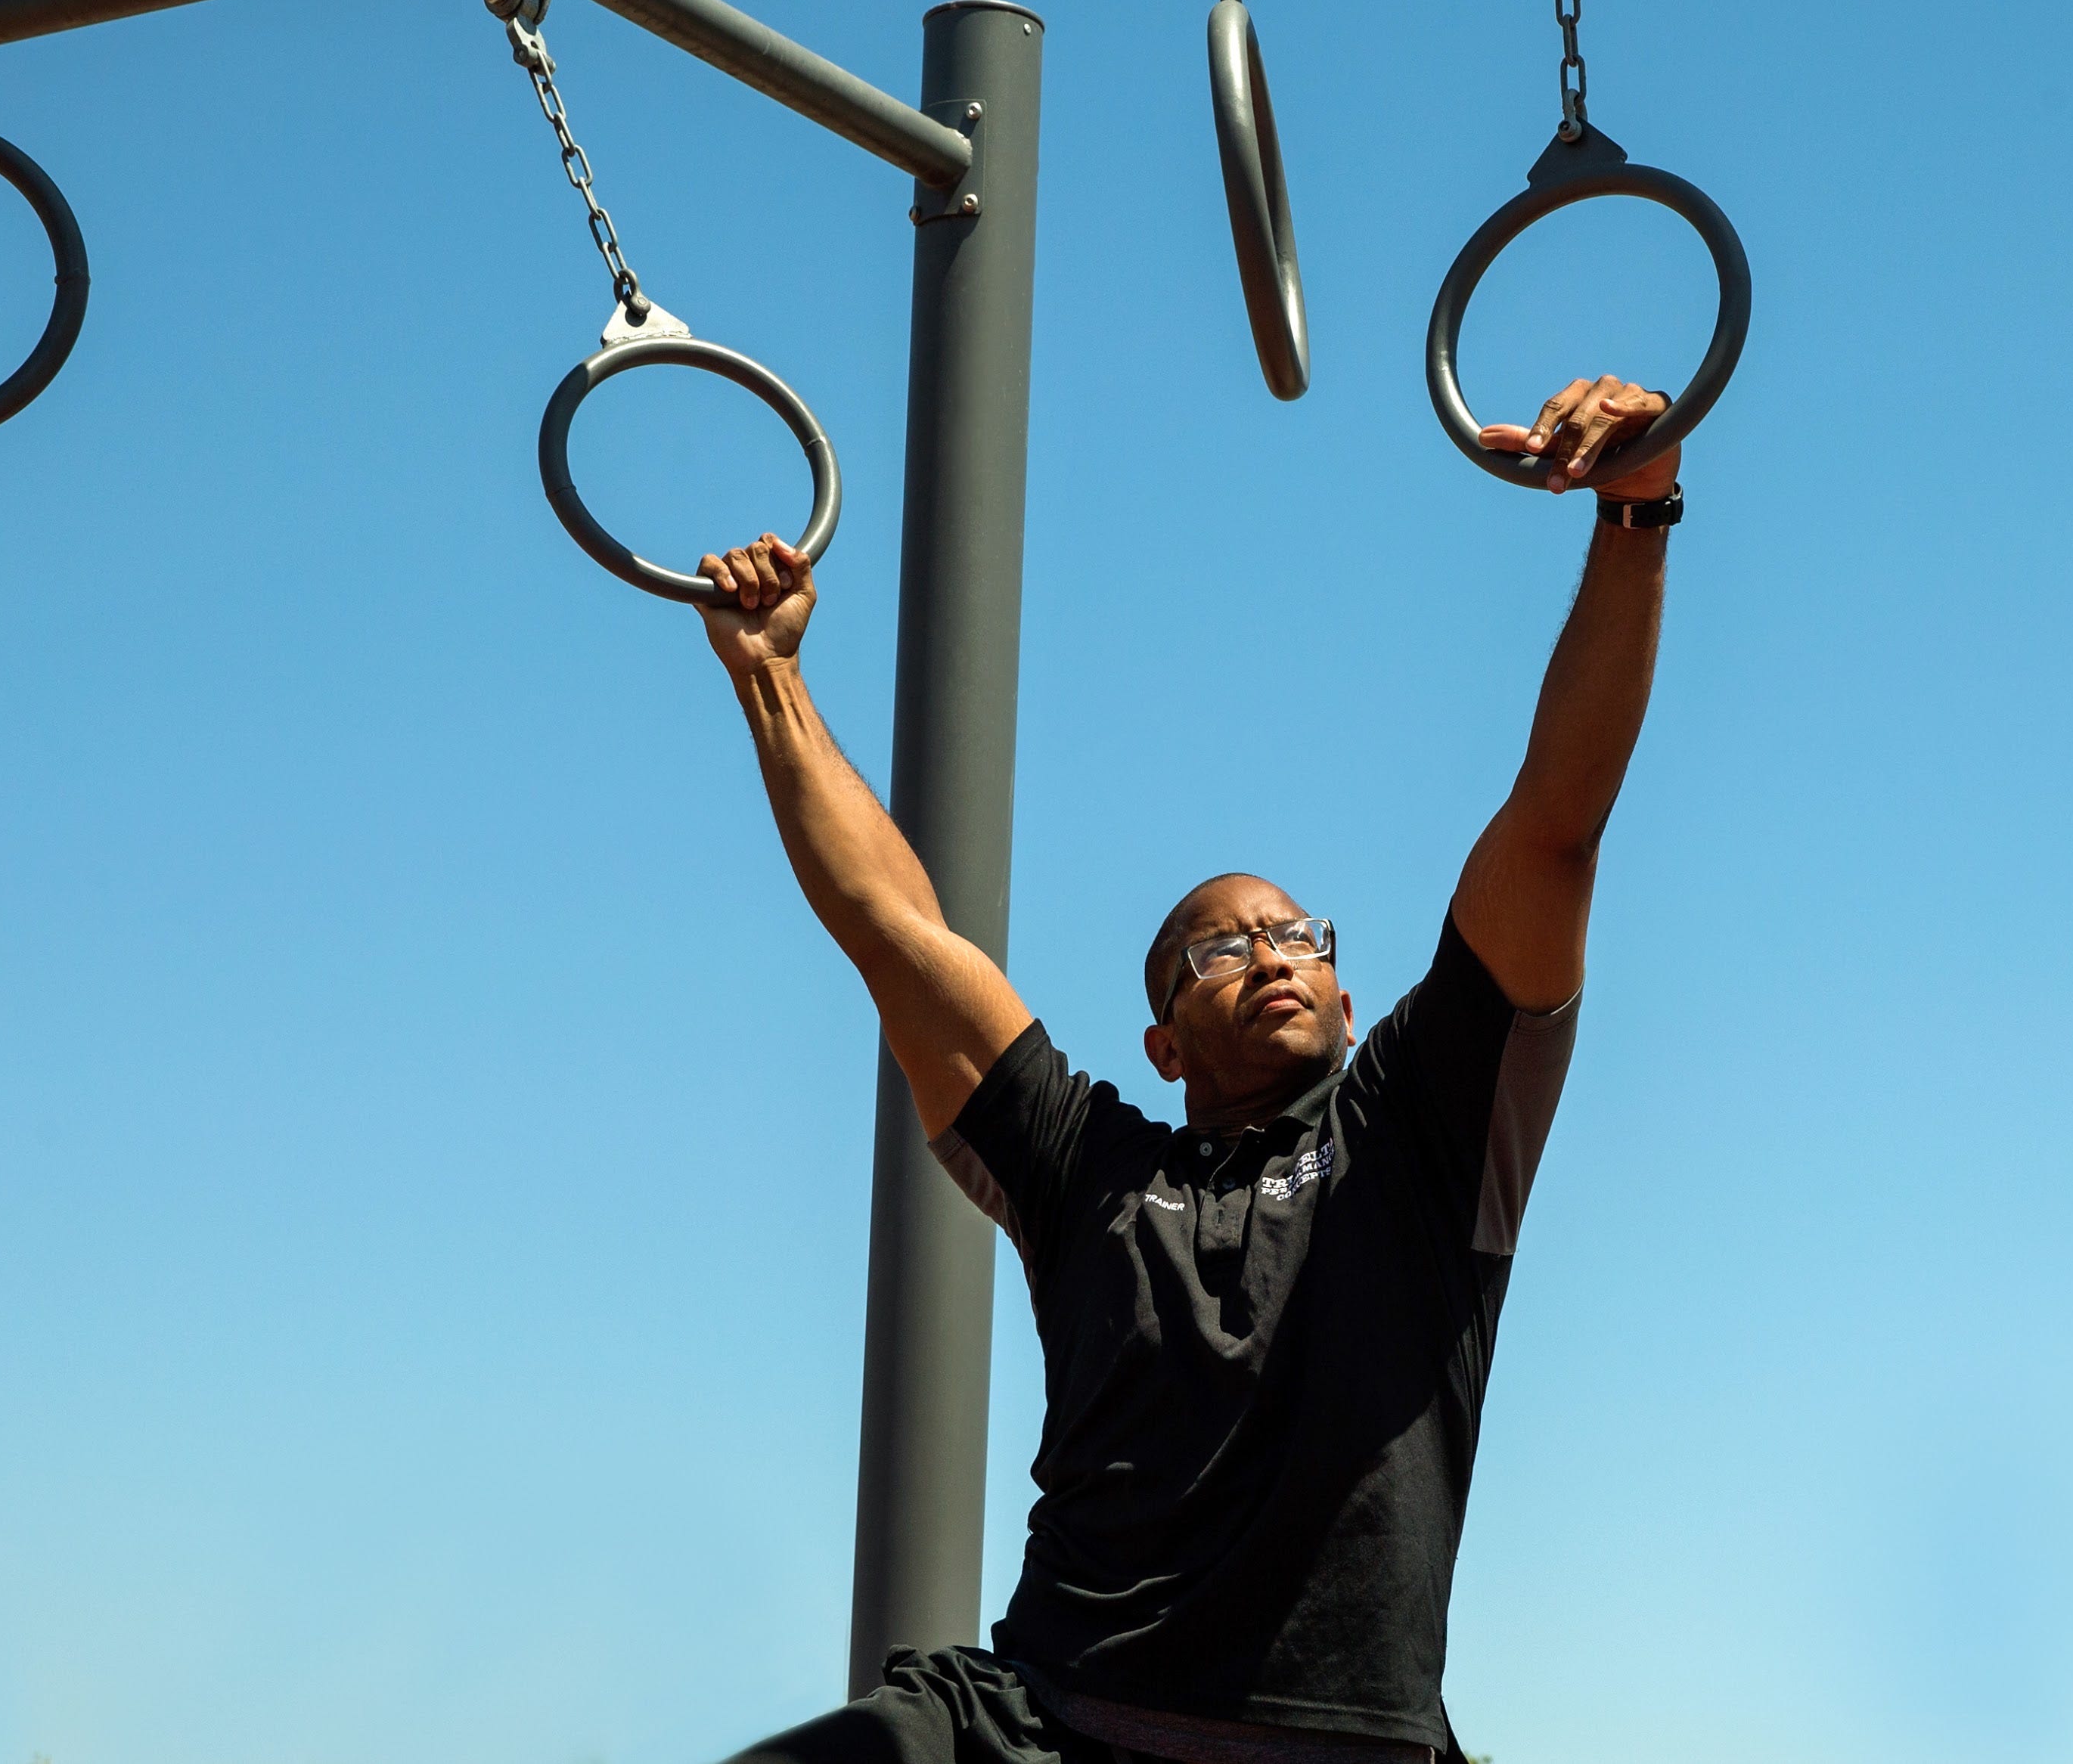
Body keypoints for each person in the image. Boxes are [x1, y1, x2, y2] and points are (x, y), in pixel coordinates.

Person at [693, 374, 1690, 1764]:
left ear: (1344, 983)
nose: (1270, 953)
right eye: (1219, 951)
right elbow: (894, 928)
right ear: (1161, 1040)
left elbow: (1555, 826)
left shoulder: (1423, 1128)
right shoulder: (1088, 1167)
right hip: (1048, 1715)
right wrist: (770, 675)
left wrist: (1638, 514)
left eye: (1294, 932)